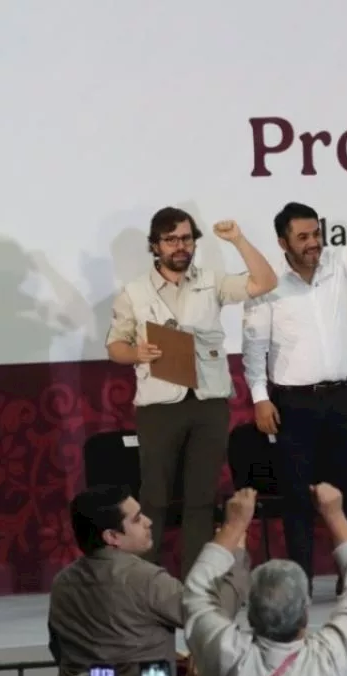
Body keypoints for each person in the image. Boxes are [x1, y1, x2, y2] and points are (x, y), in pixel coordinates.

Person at [105, 207, 276, 577]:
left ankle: (197, 582)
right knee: (154, 498)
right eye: (171, 240)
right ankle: (145, 582)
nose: (180, 246)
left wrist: (238, 240)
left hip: (208, 403)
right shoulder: (134, 292)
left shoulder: (211, 282)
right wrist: (137, 353)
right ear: (155, 246)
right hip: (159, 407)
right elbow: (115, 346)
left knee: (202, 498)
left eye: (186, 238)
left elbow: (264, 282)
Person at [241, 172, 347, 579]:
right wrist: (259, 396)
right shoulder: (269, 285)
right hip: (292, 405)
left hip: (340, 400)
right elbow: (253, 346)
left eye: (316, 234)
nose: (313, 244)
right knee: (297, 498)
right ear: (283, 243)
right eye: (303, 237)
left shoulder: (338, 266)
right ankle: (299, 585)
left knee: (343, 494)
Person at [183, 484, 347, 676]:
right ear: (306, 612)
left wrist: (233, 525)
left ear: (250, 615)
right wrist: (335, 515)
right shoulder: (335, 659)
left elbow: (196, 592)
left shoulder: (226, 656)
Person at [48, 485, 249, 676]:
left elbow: (59, 649)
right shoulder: (147, 580)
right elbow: (211, 616)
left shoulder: (61, 583)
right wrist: (236, 550)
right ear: (112, 536)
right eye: (137, 519)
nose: (148, 522)